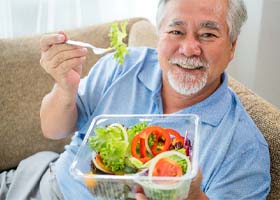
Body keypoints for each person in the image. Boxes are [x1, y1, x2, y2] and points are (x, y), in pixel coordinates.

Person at [0, 0, 270, 199]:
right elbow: (53, 129)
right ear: (159, 35)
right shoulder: (123, 65)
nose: (189, 49)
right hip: (46, 188)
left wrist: (195, 196)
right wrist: (64, 88)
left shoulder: (245, 149)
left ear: (232, 46)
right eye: (176, 31)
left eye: (208, 34)